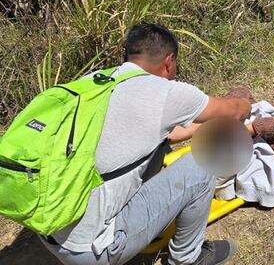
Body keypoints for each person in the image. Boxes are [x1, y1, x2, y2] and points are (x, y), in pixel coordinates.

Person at [40, 23, 252, 265]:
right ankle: (188, 258)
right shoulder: (166, 91)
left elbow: (171, 134)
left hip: (50, 228)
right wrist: (244, 102)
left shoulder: (95, 81)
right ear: (169, 61)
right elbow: (234, 111)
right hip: (92, 250)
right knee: (202, 165)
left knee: (160, 146)